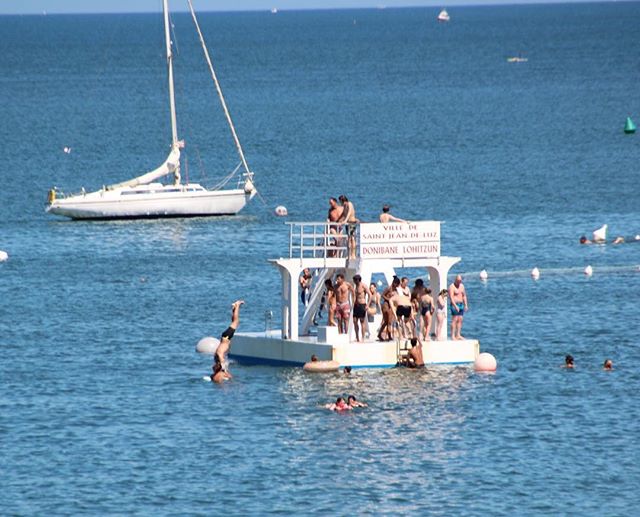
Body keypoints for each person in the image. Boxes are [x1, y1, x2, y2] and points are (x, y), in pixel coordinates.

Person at [214, 300, 244, 374]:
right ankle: (234, 308)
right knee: (234, 321)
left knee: (236, 321)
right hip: (226, 337)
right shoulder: (218, 354)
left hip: (226, 336)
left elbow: (221, 360)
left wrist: (224, 369)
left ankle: (237, 305)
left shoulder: (219, 354)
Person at [378, 277, 400, 341]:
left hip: (391, 306)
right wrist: (389, 299)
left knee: (386, 322)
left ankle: (380, 334)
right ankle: (389, 336)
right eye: (397, 284)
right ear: (394, 283)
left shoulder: (395, 290)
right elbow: (382, 295)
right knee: (389, 321)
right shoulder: (389, 288)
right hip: (386, 305)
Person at [448, 275, 468, 340]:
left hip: (461, 304)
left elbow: (464, 295)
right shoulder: (452, 287)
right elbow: (451, 297)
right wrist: (455, 305)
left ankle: (458, 334)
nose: (459, 282)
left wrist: (466, 305)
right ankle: (452, 335)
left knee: (460, 319)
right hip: (454, 304)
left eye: (460, 281)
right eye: (458, 281)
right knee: (454, 319)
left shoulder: (462, 286)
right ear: (455, 280)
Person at [352, 274, 369, 342]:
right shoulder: (356, 286)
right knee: (355, 321)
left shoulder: (363, 286)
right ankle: (357, 337)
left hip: (362, 304)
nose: (354, 282)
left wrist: (367, 304)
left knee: (362, 322)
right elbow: (355, 295)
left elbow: (370, 295)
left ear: (358, 280)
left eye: (354, 280)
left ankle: (362, 338)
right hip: (356, 305)